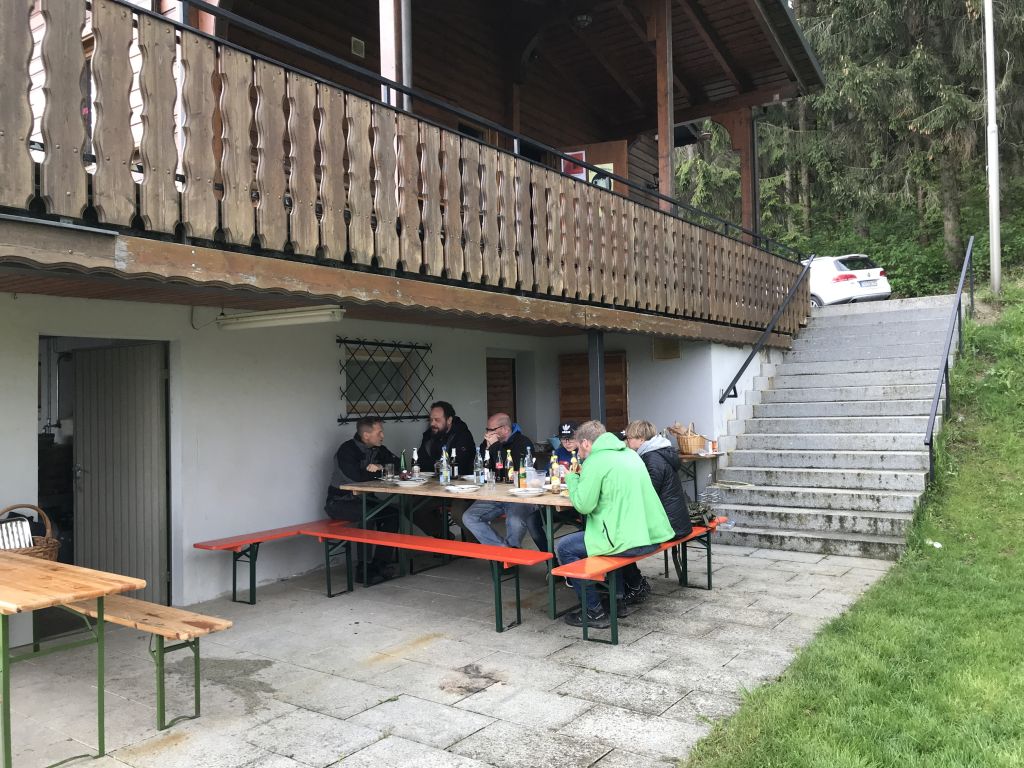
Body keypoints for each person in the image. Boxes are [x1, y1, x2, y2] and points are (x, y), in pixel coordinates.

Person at [556, 420, 674, 628]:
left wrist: (572, 480)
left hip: (625, 541)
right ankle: (617, 603)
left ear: (585, 443)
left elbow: (584, 505)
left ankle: (593, 611)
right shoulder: (630, 454)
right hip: (650, 535)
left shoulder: (595, 461)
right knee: (606, 538)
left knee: (565, 547)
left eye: (579, 447)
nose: (579, 453)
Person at [621, 419, 693, 605]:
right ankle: (631, 584)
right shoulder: (660, 452)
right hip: (676, 520)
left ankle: (633, 586)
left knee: (620, 541)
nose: (627, 442)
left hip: (669, 526)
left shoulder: (652, 458)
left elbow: (647, 495)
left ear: (641, 439)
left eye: (629, 438)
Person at [323, 416, 401, 584]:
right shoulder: (347, 451)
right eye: (379, 432)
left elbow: (399, 466)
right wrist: (382, 471)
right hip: (340, 502)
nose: (383, 436)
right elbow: (357, 478)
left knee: (393, 513)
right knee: (369, 515)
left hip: (366, 500)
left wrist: (380, 467)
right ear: (366, 435)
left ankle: (380, 564)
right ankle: (363, 569)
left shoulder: (379, 449)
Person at [462, 413, 546, 551]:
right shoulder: (488, 443)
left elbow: (517, 471)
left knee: (515, 521)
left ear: (506, 429)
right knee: (469, 517)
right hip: (495, 494)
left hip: (519, 495)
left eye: (491, 430)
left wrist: (495, 447)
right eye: (487, 429)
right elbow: (479, 467)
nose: (487, 433)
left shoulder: (523, 442)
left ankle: (509, 554)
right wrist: (487, 449)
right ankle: (505, 552)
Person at [418, 401, 477, 476]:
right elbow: (420, 463)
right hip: (432, 481)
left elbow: (460, 467)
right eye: (431, 420)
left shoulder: (462, 435)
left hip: (458, 482)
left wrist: (436, 466)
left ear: (449, 420)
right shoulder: (429, 435)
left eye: (437, 420)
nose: (432, 423)